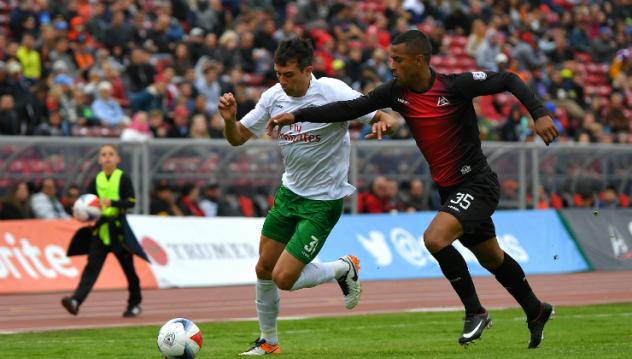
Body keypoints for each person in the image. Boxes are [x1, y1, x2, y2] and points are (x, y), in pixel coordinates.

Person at [268, 30, 559, 349]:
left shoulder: (456, 85)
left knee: (434, 239)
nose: (390, 64)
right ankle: (535, 310)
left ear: (419, 60)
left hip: (477, 183)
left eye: (398, 59)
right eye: (391, 57)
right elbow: (346, 109)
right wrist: (296, 114)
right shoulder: (395, 92)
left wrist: (539, 114)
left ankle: (475, 311)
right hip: (450, 190)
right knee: (492, 258)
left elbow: (508, 79)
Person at [218, 37, 395, 356]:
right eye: (278, 74)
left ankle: (343, 268)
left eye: (288, 74)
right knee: (263, 269)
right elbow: (237, 139)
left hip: (323, 202)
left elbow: (382, 116)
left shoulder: (333, 91)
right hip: (289, 195)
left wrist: (384, 123)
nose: (282, 81)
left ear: (307, 71)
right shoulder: (273, 98)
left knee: (283, 277)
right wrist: (230, 120)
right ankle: (268, 342)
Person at [62, 144, 148, 318]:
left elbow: (131, 202)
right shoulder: (95, 180)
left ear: (117, 159)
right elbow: (88, 203)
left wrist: (113, 203)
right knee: (91, 268)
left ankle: (135, 303)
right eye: (103, 155)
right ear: (100, 159)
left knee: (129, 270)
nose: (107, 157)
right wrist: (81, 211)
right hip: (101, 230)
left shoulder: (123, 178)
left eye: (111, 154)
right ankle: (76, 301)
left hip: (118, 231)